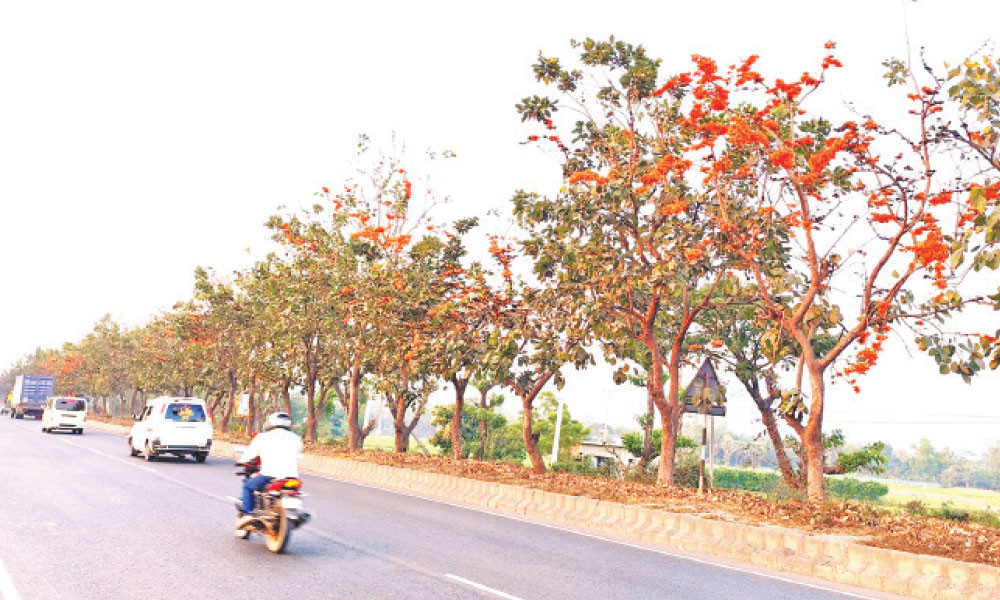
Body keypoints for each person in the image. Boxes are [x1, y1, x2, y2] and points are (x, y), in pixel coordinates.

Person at [236, 412, 303, 526]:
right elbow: (299, 456)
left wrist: (241, 461)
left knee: (247, 487)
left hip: (269, 474)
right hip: (291, 476)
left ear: (271, 423)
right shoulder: (296, 438)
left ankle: (247, 515)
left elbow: (250, 454)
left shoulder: (263, 437)